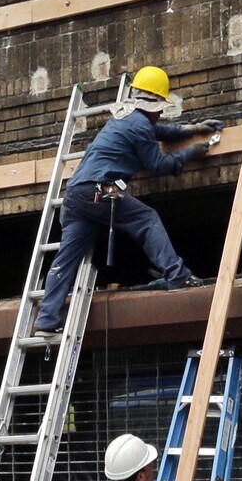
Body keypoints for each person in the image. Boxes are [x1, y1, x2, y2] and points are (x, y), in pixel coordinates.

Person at [34, 65, 216, 336]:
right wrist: (190, 153)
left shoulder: (126, 118)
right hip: (101, 190)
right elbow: (158, 164)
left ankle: (46, 320)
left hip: (76, 194)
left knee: (66, 258)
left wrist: (191, 129)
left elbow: (160, 132)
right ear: (155, 105)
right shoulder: (141, 125)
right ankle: (177, 274)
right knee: (146, 218)